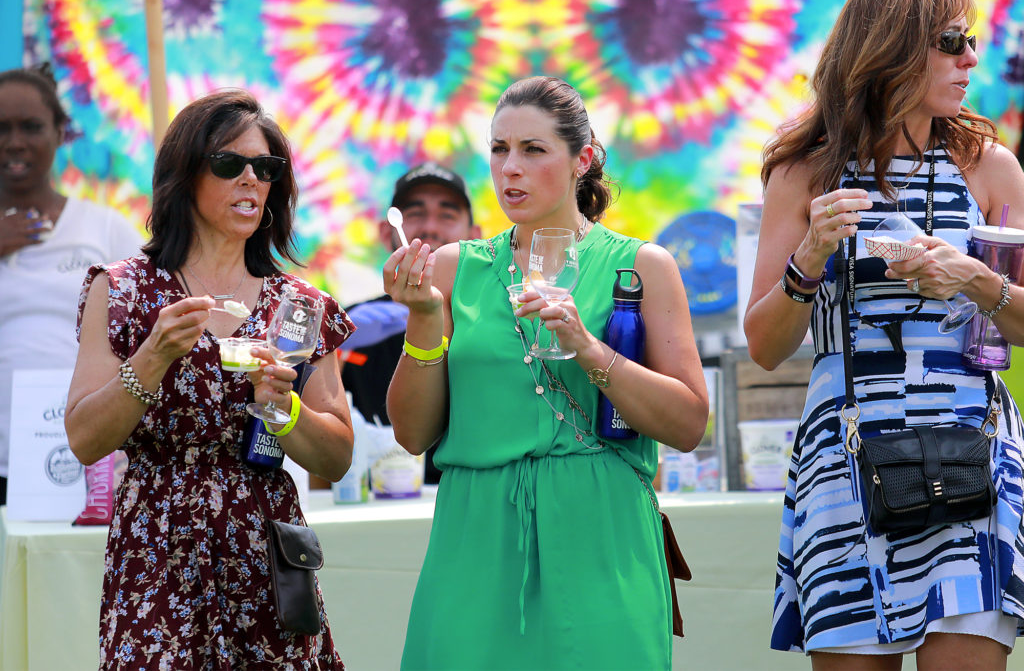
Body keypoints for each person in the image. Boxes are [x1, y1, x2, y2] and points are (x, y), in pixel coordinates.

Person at [745, 0, 1024, 668]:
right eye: (951, 42)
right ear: (892, 48)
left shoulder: (989, 168)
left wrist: (977, 279)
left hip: (971, 443)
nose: (970, 60)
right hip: (849, 454)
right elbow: (765, 345)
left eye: (971, 41)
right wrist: (809, 254)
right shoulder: (804, 170)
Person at [385, 75, 709, 669]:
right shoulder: (454, 268)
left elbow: (689, 425)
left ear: (581, 160)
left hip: (602, 531)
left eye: (533, 150)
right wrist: (425, 316)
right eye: (499, 149)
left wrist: (589, 348)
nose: (510, 168)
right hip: (476, 533)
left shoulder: (641, 267)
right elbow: (411, 434)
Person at [65, 88, 355, 668]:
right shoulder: (123, 288)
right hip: (156, 548)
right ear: (185, 175)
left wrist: (282, 408)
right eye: (229, 164)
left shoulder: (299, 305)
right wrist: (151, 356)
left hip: (265, 552)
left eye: (266, 168)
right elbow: (84, 440)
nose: (251, 180)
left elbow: (336, 457)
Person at [0, 64, 141, 507]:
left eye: (31, 127)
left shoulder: (104, 229)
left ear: (61, 132)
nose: (15, 142)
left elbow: (154, 322)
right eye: (1, 128)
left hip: (92, 462)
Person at [340, 161, 479, 484]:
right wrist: (333, 351)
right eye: (414, 213)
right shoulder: (349, 326)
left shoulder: (494, 319)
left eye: (447, 214)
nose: (430, 227)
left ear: (475, 236)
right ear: (385, 231)